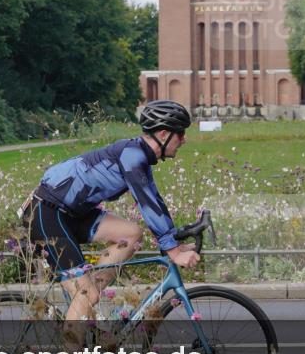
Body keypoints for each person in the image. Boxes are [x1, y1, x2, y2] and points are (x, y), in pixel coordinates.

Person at [19, 100, 200, 334]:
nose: (184, 140)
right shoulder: (132, 156)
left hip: (71, 213)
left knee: (132, 233)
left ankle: (89, 293)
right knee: (86, 295)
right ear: (164, 134)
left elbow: (155, 201)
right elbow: (145, 203)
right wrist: (172, 252)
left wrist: (173, 241)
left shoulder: (139, 156)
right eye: (181, 134)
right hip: (46, 213)